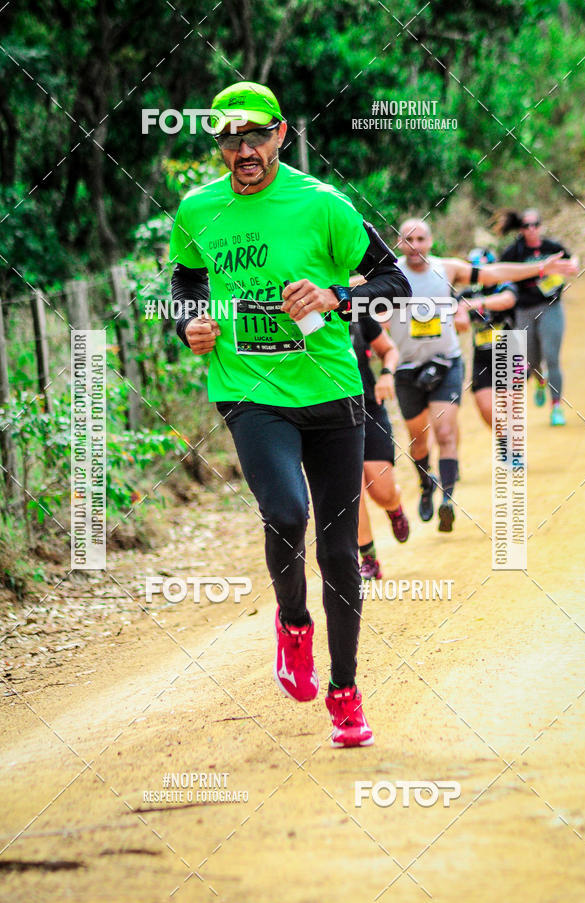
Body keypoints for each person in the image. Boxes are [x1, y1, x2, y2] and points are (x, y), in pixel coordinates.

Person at [169, 81, 411, 748]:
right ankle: (293, 623)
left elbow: (394, 278)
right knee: (283, 512)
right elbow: (186, 279)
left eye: (255, 135)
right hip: (250, 391)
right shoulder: (197, 209)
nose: (242, 149)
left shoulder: (321, 204)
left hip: (333, 391)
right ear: (218, 145)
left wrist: (336, 294)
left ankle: (345, 691)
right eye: (229, 138)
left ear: (280, 134)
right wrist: (189, 321)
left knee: (338, 550)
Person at [389, 218, 577, 532]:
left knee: (448, 432)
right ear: (398, 243)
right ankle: (427, 484)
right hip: (417, 366)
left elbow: (501, 276)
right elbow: (352, 287)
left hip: (483, 354)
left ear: (431, 241)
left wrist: (541, 267)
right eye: (408, 239)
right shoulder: (390, 273)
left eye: (421, 238)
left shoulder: (449, 270)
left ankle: (449, 497)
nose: (415, 245)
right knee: (423, 439)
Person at [497, 209, 579, 426]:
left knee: (552, 357)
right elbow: (499, 272)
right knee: (532, 360)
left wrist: (573, 265)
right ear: (521, 229)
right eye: (526, 226)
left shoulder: (551, 248)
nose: (531, 229)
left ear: (541, 226)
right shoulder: (514, 252)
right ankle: (539, 381)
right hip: (524, 310)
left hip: (551, 307)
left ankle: (556, 407)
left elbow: (571, 259)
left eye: (535, 225)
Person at [348, 316, 408, 581]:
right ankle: (368, 558)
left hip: (369, 409)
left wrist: (387, 374)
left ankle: (394, 507)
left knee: (382, 492)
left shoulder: (355, 312)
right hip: (330, 416)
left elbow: (389, 349)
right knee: (352, 489)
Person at [456, 248, 517, 429]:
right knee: (486, 408)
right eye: (476, 270)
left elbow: (508, 300)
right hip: (481, 358)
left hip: (508, 353)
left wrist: (477, 304)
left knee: (509, 407)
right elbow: (454, 312)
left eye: (484, 269)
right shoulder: (467, 294)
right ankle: (505, 443)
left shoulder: (504, 286)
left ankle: (515, 452)